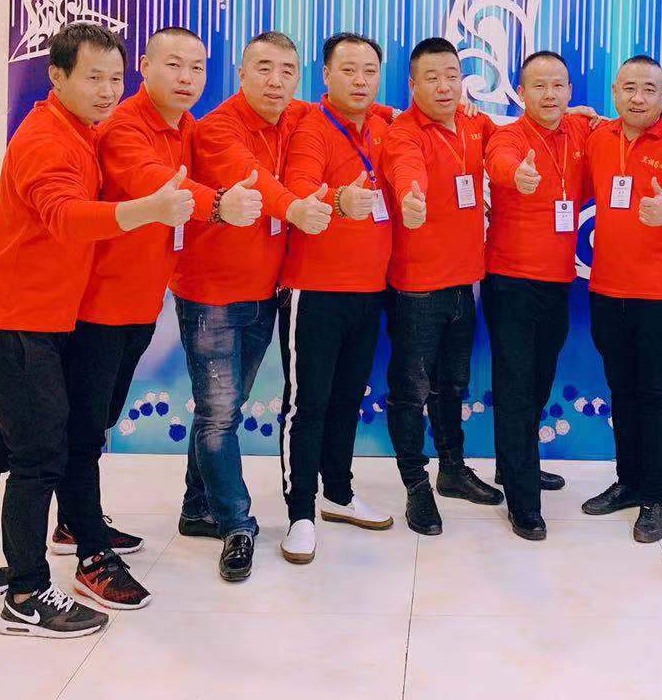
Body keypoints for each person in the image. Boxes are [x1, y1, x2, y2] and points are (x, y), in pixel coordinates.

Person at [0, 23, 193, 638]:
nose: (107, 91)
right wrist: (149, 210)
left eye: (114, 78)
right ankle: (27, 596)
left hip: (23, 321)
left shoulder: (82, 130)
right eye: (92, 77)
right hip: (17, 326)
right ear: (56, 76)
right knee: (40, 457)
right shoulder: (47, 139)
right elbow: (66, 217)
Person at [56, 27, 261, 611]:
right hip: (98, 305)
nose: (186, 77)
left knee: (98, 421)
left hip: (142, 303)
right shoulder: (123, 126)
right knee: (84, 430)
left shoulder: (188, 129)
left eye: (196, 67)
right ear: (144, 66)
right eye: (173, 64)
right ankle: (89, 550)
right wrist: (219, 205)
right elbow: (154, 186)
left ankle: (74, 520)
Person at [168, 30, 333, 583]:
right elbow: (254, 182)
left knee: (223, 409)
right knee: (219, 414)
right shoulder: (218, 127)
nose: (276, 81)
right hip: (211, 296)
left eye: (287, 71)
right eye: (263, 69)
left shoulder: (297, 118)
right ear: (241, 74)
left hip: (264, 292)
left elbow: (347, 108)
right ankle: (237, 524)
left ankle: (197, 507)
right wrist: (297, 210)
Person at [275, 32, 397, 565]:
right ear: (326, 76)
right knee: (308, 405)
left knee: (348, 399)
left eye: (370, 71)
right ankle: (300, 513)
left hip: (368, 291)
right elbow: (300, 187)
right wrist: (339, 199)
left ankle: (339, 495)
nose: (360, 80)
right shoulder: (311, 128)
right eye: (348, 70)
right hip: (315, 291)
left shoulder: (384, 125)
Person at [380, 37, 504, 536]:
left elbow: (513, 139)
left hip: (463, 283)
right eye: (431, 78)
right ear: (412, 84)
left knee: (453, 385)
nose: (444, 86)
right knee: (411, 392)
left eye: (452, 75)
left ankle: (452, 469)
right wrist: (410, 196)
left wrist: (581, 116)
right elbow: (404, 168)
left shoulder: (475, 123)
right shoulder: (403, 133)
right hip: (416, 289)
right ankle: (416, 486)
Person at [581, 55, 662, 543]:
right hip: (606, 290)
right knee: (622, 390)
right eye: (629, 87)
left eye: (649, 89)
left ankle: (654, 496)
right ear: (615, 91)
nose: (638, 98)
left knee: (657, 394)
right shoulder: (598, 137)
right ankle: (629, 482)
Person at [481, 51, 593, 540]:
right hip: (511, 284)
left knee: (540, 380)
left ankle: (513, 463)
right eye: (539, 86)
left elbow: (634, 128)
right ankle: (523, 500)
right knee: (515, 388)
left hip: (558, 283)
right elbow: (500, 163)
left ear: (569, 91)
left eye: (558, 85)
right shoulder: (508, 137)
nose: (549, 95)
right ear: (521, 92)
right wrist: (517, 175)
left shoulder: (582, 131)